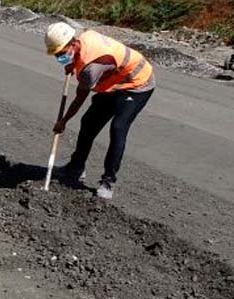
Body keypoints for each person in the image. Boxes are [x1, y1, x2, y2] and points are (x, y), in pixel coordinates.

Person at [46, 22, 156, 200]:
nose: (59, 57)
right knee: (89, 122)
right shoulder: (82, 37)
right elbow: (83, 60)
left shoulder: (91, 69)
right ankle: (76, 168)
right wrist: (72, 63)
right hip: (114, 81)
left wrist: (63, 121)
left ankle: (108, 181)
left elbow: (79, 98)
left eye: (61, 53)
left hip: (138, 83)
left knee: (118, 127)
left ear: (72, 44)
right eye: (56, 55)